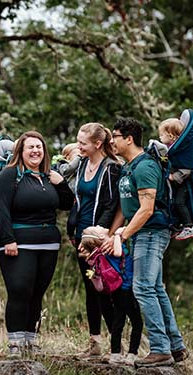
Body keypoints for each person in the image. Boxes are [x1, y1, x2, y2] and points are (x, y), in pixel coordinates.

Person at [107, 117, 189, 367]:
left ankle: (160, 349)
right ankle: (175, 346)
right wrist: (112, 234)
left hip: (151, 233)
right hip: (141, 233)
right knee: (156, 289)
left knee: (142, 288)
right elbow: (126, 205)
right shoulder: (128, 167)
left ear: (129, 139)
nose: (112, 141)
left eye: (115, 136)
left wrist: (124, 234)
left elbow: (147, 209)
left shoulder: (145, 166)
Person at [0, 130, 74, 359]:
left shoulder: (50, 176)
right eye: (31, 147)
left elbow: (67, 204)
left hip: (48, 243)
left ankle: (31, 340)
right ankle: (15, 344)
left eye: (39, 147)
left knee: (37, 292)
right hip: (18, 242)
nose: (36, 151)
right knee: (20, 290)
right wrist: (8, 239)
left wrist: (62, 183)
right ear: (21, 151)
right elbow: (0, 206)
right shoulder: (10, 175)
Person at [70, 122, 123, 357]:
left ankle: (116, 342)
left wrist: (95, 237)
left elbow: (111, 205)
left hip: (97, 241)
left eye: (83, 143)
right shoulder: (82, 163)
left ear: (98, 144)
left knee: (105, 290)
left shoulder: (110, 168)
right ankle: (94, 342)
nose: (78, 146)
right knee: (91, 288)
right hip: (79, 238)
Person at [80, 225, 142, 366]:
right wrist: (119, 235)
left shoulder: (97, 253)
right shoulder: (111, 246)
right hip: (126, 288)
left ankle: (115, 354)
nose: (99, 225)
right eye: (96, 227)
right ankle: (132, 354)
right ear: (101, 237)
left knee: (118, 321)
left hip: (116, 290)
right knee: (137, 322)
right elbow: (119, 253)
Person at [158, 118, 193, 240]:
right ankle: (177, 226)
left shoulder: (182, 151)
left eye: (162, 135)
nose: (160, 137)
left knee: (179, 202)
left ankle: (189, 227)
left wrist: (173, 177)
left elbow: (188, 169)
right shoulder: (170, 149)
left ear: (171, 136)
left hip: (185, 184)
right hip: (177, 184)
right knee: (173, 202)